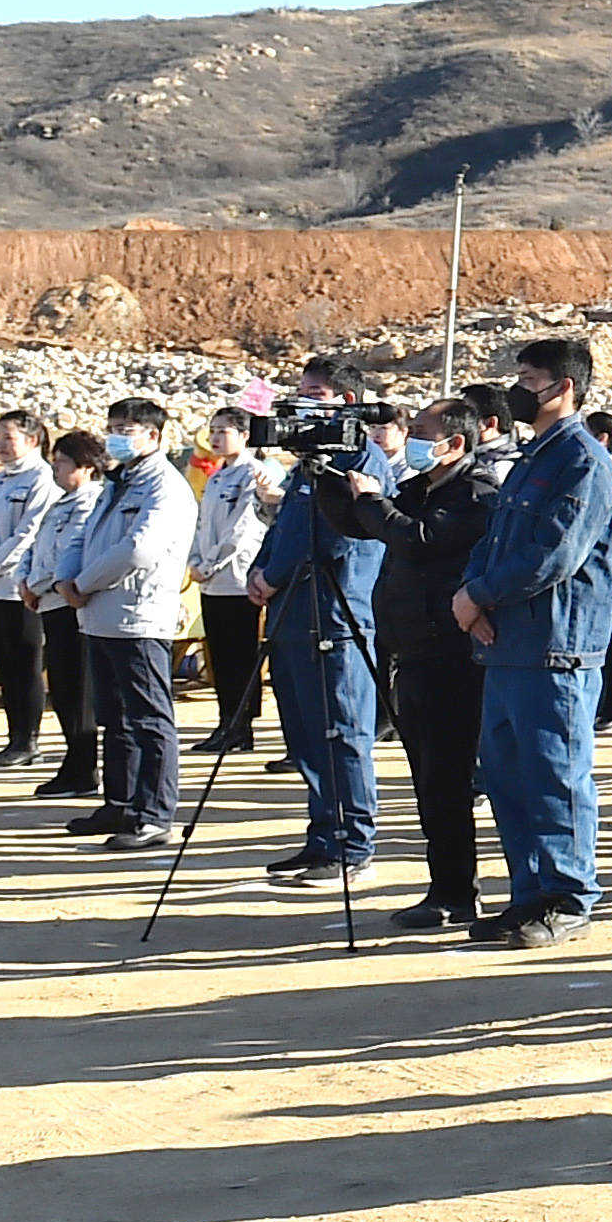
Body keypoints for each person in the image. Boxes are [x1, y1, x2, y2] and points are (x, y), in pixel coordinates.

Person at [449, 337, 612, 947]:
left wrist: (482, 596)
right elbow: (496, 539)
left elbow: (553, 554)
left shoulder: (582, 461)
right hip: (508, 643)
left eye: (529, 379)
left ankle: (566, 895)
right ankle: (528, 892)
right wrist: (473, 593)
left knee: (555, 774)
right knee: (507, 775)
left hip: (556, 644)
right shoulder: (532, 458)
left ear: (562, 387)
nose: (518, 389)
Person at [329, 408, 500, 930]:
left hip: (451, 652)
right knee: (428, 778)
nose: (415, 444)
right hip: (412, 647)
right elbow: (359, 524)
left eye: (423, 436)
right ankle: (443, 886)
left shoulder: (475, 493)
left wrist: (372, 499)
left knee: (447, 778)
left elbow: (415, 538)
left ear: (453, 443)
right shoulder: (421, 486)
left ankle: (456, 891)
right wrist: (327, 477)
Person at [250, 374, 395, 890]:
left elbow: (331, 538)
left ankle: (353, 845)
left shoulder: (358, 461)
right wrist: (261, 569)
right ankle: (323, 836)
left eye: (318, 396)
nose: (305, 406)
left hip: (336, 611)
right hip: (294, 612)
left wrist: (273, 573)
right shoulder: (307, 464)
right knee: (308, 733)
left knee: (343, 732)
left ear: (348, 403)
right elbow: (286, 528)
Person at [66, 397, 199, 854]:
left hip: (137, 618)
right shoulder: (118, 482)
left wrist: (82, 581)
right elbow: (84, 533)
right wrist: (69, 577)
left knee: (149, 719)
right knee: (114, 718)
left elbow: (138, 550)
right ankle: (120, 803)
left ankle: (154, 815)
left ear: (155, 436)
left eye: (127, 428)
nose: (116, 436)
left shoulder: (165, 487)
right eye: (113, 426)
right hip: (99, 616)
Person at [0, 411, 69, 772]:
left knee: (25, 665)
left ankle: (28, 740)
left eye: (9, 437)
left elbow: (28, 534)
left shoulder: (43, 480)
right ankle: (14, 736)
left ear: (33, 441)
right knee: (6, 664)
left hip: (19, 587)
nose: (1, 444)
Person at [19, 428, 109, 810]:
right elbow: (36, 547)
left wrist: (46, 585)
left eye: (64, 463)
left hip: (69, 605)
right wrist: (25, 580)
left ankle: (83, 766)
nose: (56, 469)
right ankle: (73, 761)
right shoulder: (61, 503)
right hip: (47, 601)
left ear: (86, 468)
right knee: (63, 688)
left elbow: (70, 554)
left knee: (77, 692)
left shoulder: (90, 504)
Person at [187, 409, 277, 756]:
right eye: (213, 431)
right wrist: (196, 560)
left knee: (240, 656)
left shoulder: (255, 473)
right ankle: (226, 721)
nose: (215, 438)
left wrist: (211, 563)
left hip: (237, 579)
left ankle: (241, 726)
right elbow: (202, 524)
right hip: (210, 579)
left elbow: (244, 529)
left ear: (244, 435)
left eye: (223, 431)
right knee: (220, 655)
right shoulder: (217, 476)